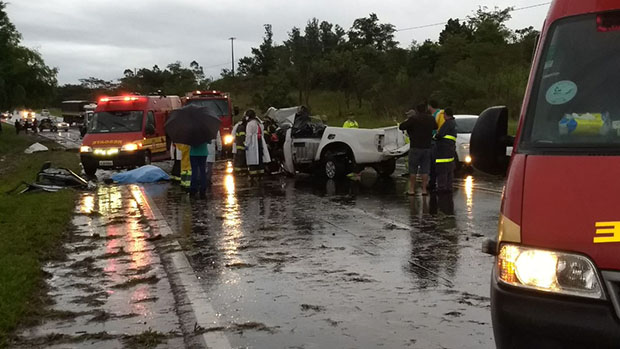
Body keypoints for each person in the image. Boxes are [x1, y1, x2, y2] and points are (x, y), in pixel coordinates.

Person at [399, 103, 437, 195]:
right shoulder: (430, 119)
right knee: (425, 169)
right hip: (427, 147)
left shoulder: (414, 119)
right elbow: (436, 127)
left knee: (413, 169)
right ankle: (424, 190)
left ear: (417, 110)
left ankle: (411, 189)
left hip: (415, 147)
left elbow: (401, 126)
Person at [434, 107, 457, 193]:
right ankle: (448, 187)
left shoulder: (447, 124)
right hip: (450, 150)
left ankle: (442, 188)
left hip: (444, 150)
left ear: (445, 114)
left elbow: (439, 135)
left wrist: (435, 137)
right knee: (449, 171)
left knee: (442, 170)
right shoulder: (453, 123)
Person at [245, 109, 271, 179]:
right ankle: (260, 174)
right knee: (260, 158)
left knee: (253, 159)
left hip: (253, 143)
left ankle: (253, 175)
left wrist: (246, 144)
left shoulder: (250, 124)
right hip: (259, 141)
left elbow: (249, 135)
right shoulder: (259, 123)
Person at [427, 100, 446, 190]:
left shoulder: (440, 115)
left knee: (435, 164)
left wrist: (436, 136)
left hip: (437, 142)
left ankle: (437, 183)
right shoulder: (435, 115)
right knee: (432, 163)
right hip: (433, 141)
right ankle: (433, 182)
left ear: (430, 106)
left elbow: (441, 129)